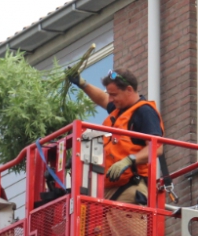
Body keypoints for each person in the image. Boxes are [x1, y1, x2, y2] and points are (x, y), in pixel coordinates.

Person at [69, 68, 164, 205]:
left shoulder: (144, 112)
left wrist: (129, 161)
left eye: (114, 95)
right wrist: (82, 83)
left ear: (129, 90)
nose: (111, 99)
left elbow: (157, 148)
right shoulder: (119, 109)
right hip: (109, 188)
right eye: (109, 94)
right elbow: (102, 98)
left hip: (130, 187)